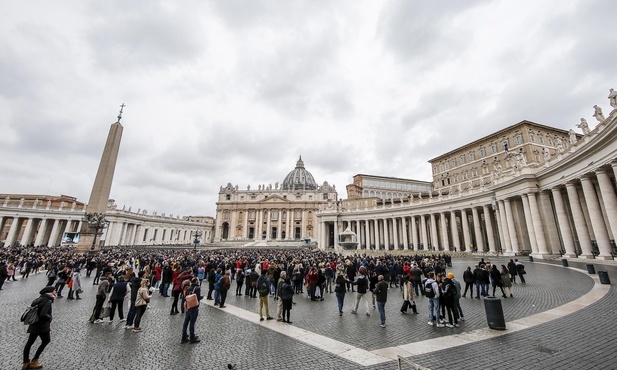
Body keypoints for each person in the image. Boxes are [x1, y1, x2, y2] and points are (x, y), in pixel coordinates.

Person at [22, 286, 56, 370]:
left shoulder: (38, 299)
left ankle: (25, 362)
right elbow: (43, 315)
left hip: (34, 324)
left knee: (29, 343)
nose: (55, 292)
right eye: (54, 290)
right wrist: (50, 318)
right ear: (50, 292)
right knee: (46, 341)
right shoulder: (47, 301)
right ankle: (34, 360)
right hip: (42, 326)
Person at [182, 278, 203, 343]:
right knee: (192, 323)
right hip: (194, 307)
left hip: (188, 306)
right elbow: (198, 297)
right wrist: (202, 297)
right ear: (196, 281)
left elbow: (186, 296)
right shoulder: (197, 288)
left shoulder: (188, 288)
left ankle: (184, 336)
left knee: (186, 322)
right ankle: (192, 337)